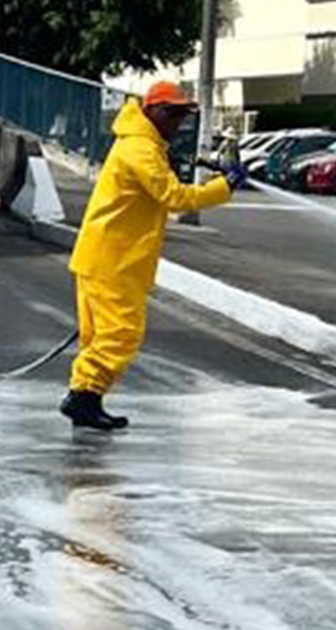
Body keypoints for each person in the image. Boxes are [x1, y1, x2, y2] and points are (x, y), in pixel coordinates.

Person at [61, 80, 247, 431]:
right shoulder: (140, 150)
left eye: (182, 116)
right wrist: (225, 187)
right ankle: (83, 398)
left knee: (98, 337)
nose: (178, 123)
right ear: (155, 110)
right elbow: (175, 197)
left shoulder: (142, 145)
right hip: (115, 259)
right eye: (174, 115)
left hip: (105, 255)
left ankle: (85, 398)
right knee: (122, 334)